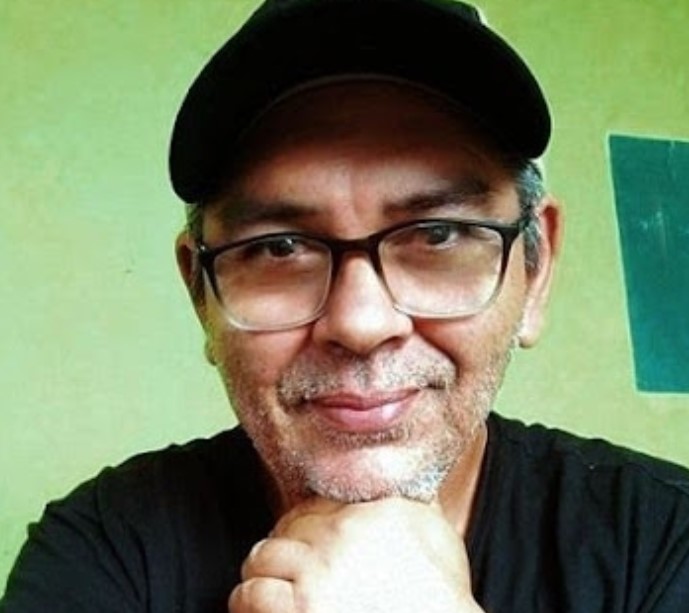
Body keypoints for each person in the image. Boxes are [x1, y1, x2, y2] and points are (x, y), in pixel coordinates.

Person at [2, 0, 689, 611]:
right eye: (278, 248)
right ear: (200, 296)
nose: (361, 324)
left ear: (535, 271)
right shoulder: (104, 549)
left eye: (437, 235)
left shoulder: (665, 543)